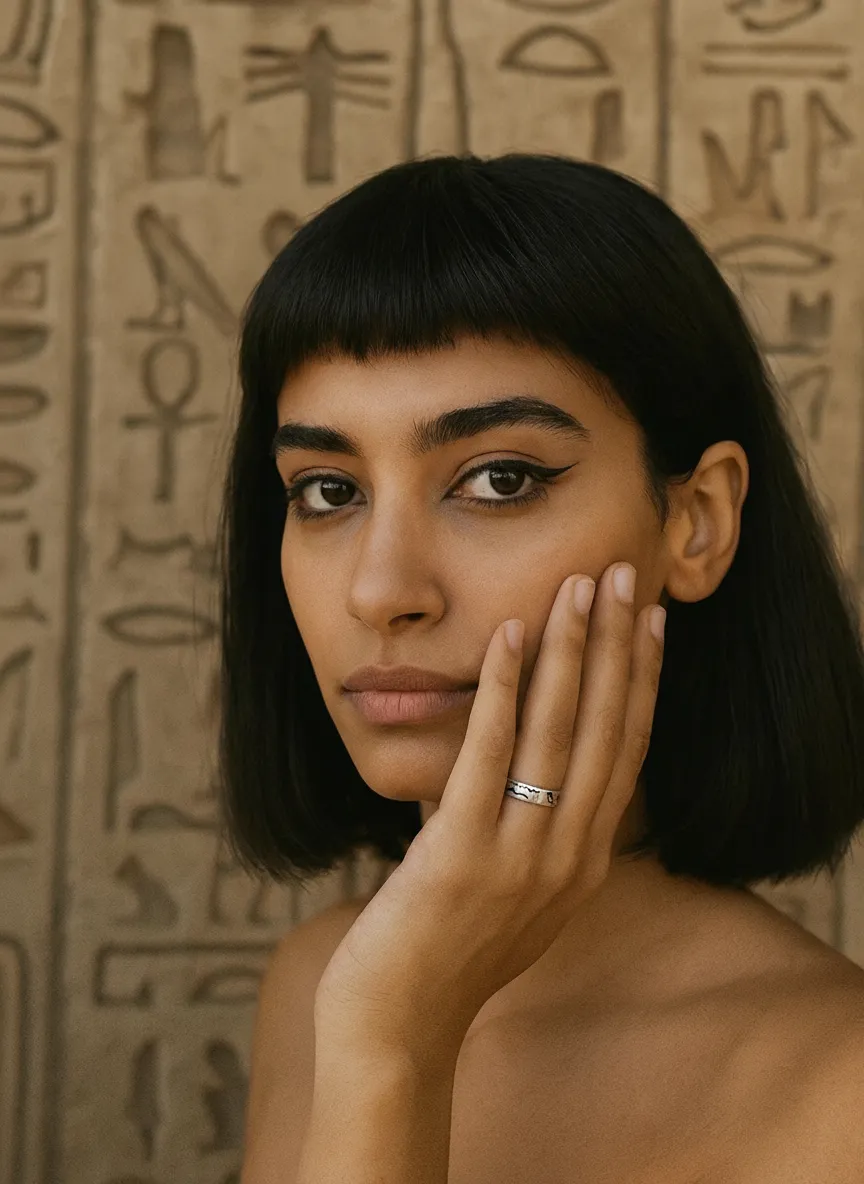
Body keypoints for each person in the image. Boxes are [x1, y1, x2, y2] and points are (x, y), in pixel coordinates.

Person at [217, 153, 864, 1183]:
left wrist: (393, 1047)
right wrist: (387, 1025)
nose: (382, 589)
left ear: (696, 522)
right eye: (329, 490)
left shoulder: (842, 1085)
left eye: (499, 477)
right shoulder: (321, 983)